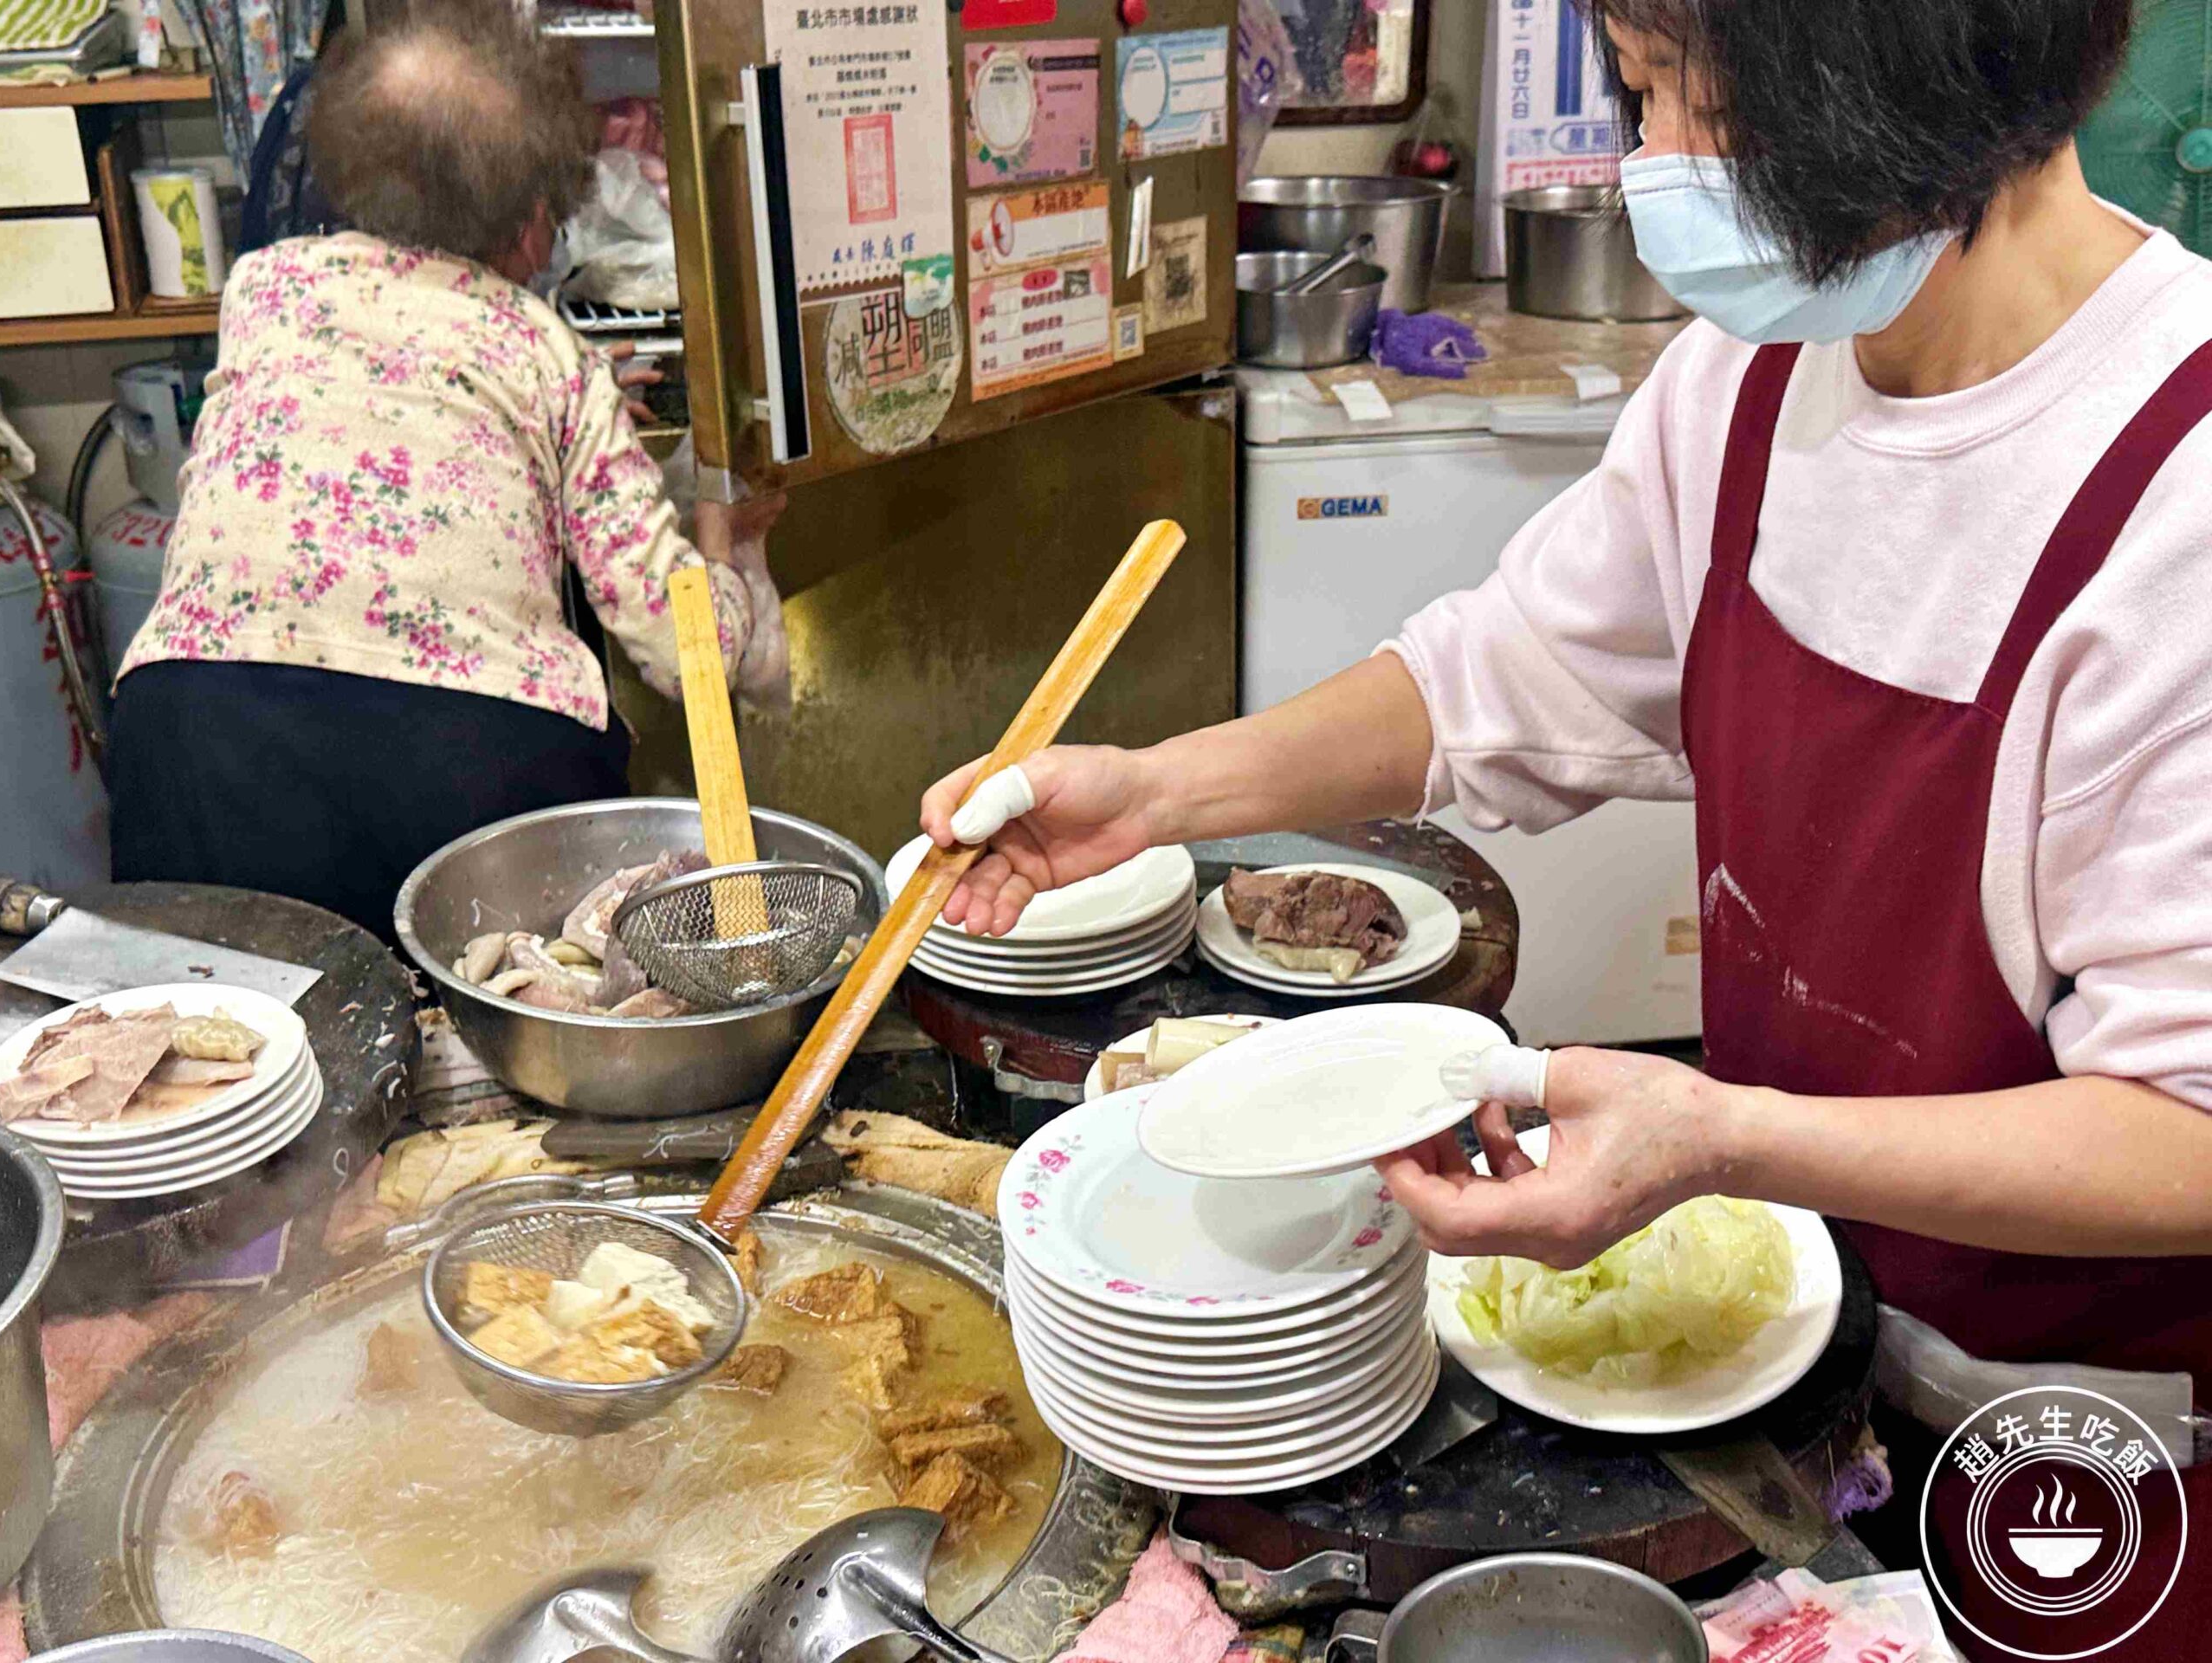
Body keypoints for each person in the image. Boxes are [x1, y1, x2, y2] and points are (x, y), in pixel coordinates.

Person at [926, 0, 2212, 1627]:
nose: (1642, 162)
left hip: (2086, 1440)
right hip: (1791, 1351)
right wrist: (1160, 794)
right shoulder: (1749, 379)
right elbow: (1510, 672)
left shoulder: (2177, 497)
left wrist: (1725, 1137)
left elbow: (2185, 1128)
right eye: (1635, 88)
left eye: (1677, 97)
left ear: (1890, 87)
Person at [108, 0, 779, 941]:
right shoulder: (548, 356)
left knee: (242, 1015)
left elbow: (390, 393)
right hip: (468, 765)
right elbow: (682, 649)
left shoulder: (263, 292)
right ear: (536, 216)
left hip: (195, 740)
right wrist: (727, 548)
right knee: (480, 1020)